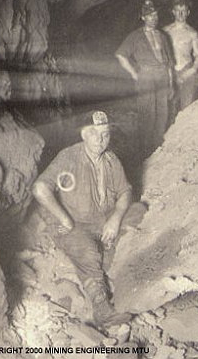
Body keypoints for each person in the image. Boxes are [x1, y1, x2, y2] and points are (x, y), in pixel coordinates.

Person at [32, 111, 142, 327]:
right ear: (84, 134)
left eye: (105, 134)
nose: (101, 140)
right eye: (95, 134)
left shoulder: (111, 160)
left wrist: (115, 218)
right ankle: (102, 310)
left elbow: (125, 191)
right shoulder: (69, 157)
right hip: (75, 224)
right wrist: (64, 220)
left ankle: (107, 260)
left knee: (138, 210)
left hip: (102, 220)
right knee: (87, 250)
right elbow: (40, 188)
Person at [115, 0, 174, 159]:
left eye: (155, 15)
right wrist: (134, 74)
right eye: (149, 15)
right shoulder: (135, 36)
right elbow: (120, 55)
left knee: (162, 110)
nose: (153, 18)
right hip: (146, 75)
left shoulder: (162, 36)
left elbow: (168, 62)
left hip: (162, 74)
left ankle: (158, 143)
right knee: (147, 112)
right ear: (143, 17)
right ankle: (145, 149)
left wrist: (170, 82)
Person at [163, 0, 198, 111]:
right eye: (178, 10)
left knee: (187, 107)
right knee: (168, 106)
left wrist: (192, 70)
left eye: (183, 11)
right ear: (173, 12)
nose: (180, 14)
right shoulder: (165, 31)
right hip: (170, 71)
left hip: (187, 70)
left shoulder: (192, 33)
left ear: (188, 13)